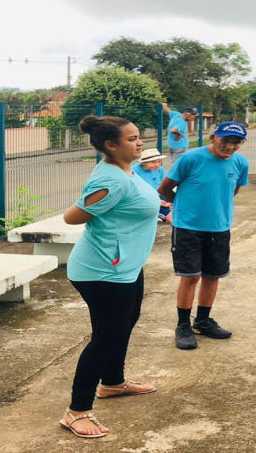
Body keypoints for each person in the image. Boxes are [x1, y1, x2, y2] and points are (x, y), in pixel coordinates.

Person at [59, 116, 160, 439]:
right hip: (102, 271)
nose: (140, 142)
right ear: (111, 145)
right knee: (106, 337)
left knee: (125, 323)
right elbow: (73, 216)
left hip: (125, 266)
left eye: (138, 136)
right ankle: (76, 412)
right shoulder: (112, 181)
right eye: (132, 139)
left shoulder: (122, 170)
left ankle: (113, 383)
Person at [158, 122, 249, 350]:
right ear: (212, 137)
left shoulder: (240, 163)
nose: (229, 146)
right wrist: (181, 207)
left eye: (235, 142)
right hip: (188, 227)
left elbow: (233, 189)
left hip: (219, 227)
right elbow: (165, 188)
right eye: (225, 140)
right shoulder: (191, 158)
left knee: (212, 275)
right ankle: (183, 325)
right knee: (190, 276)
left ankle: (202, 321)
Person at [133, 148, 172, 223]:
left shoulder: (160, 169)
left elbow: (164, 186)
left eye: (159, 161)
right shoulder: (134, 171)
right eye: (153, 162)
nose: (157, 165)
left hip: (159, 196)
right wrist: (157, 201)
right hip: (145, 199)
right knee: (171, 216)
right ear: (143, 163)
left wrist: (169, 199)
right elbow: (136, 193)